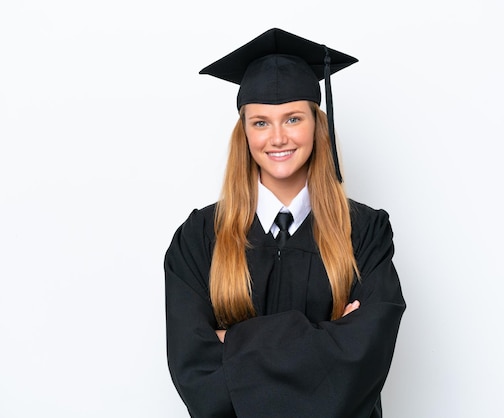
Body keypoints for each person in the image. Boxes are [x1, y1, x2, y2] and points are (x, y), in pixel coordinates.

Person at [164, 28, 405, 418]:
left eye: (293, 118)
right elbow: (195, 371)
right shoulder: (198, 238)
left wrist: (232, 343)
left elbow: (365, 361)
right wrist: (327, 340)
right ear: (243, 132)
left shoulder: (365, 232)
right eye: (260, 122)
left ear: (317, 125)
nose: (277, 138)